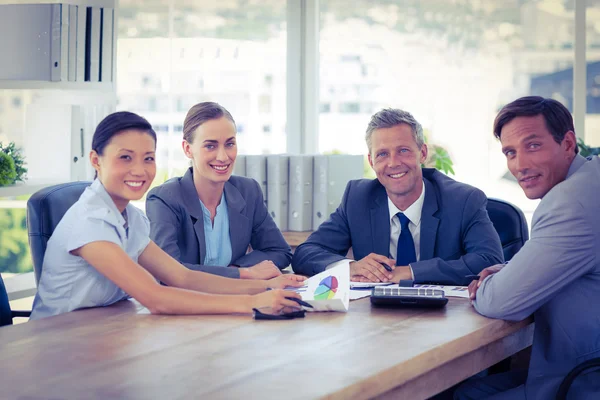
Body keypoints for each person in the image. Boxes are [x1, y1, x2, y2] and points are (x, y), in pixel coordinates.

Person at [30, 111, 304, 320]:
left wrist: (264, 287)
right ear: (95, 160)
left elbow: (182, 277)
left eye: (148, 158)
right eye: (125, 157)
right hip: (58, 341)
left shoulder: (130, 219)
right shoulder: (89, 222)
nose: (140, 170)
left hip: (101, 332)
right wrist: (250, 303)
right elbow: (156, 298)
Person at [455, 96, 600, 399]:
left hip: (583, 381)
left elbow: (500, 302)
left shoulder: (570, 202)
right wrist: (509, 271)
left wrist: (488, 283)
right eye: (510, 152)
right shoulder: (590, 180)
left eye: (533, 146)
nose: (520, 165)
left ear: (568, 143)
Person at [292, 108, 503, 285]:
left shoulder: (464, 200)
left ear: (422, 153)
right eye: (382, 154)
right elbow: (306, 253)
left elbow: (489, 261)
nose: (393, 163)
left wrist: (410, 272)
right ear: (371, 161)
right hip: (376, 319)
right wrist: (350, 267)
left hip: (444, 316)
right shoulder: (358, 198)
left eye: (403, 150)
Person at [146, 102, 291, 280]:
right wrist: (242, 273)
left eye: (230, 144)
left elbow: (279, 251)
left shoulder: (248, 191)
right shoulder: (165, 199)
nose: (223, 157)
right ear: (187, 149)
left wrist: (237, 267)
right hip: (186, 304)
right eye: (210, 146)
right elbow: (166, 271)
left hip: (239, 299)